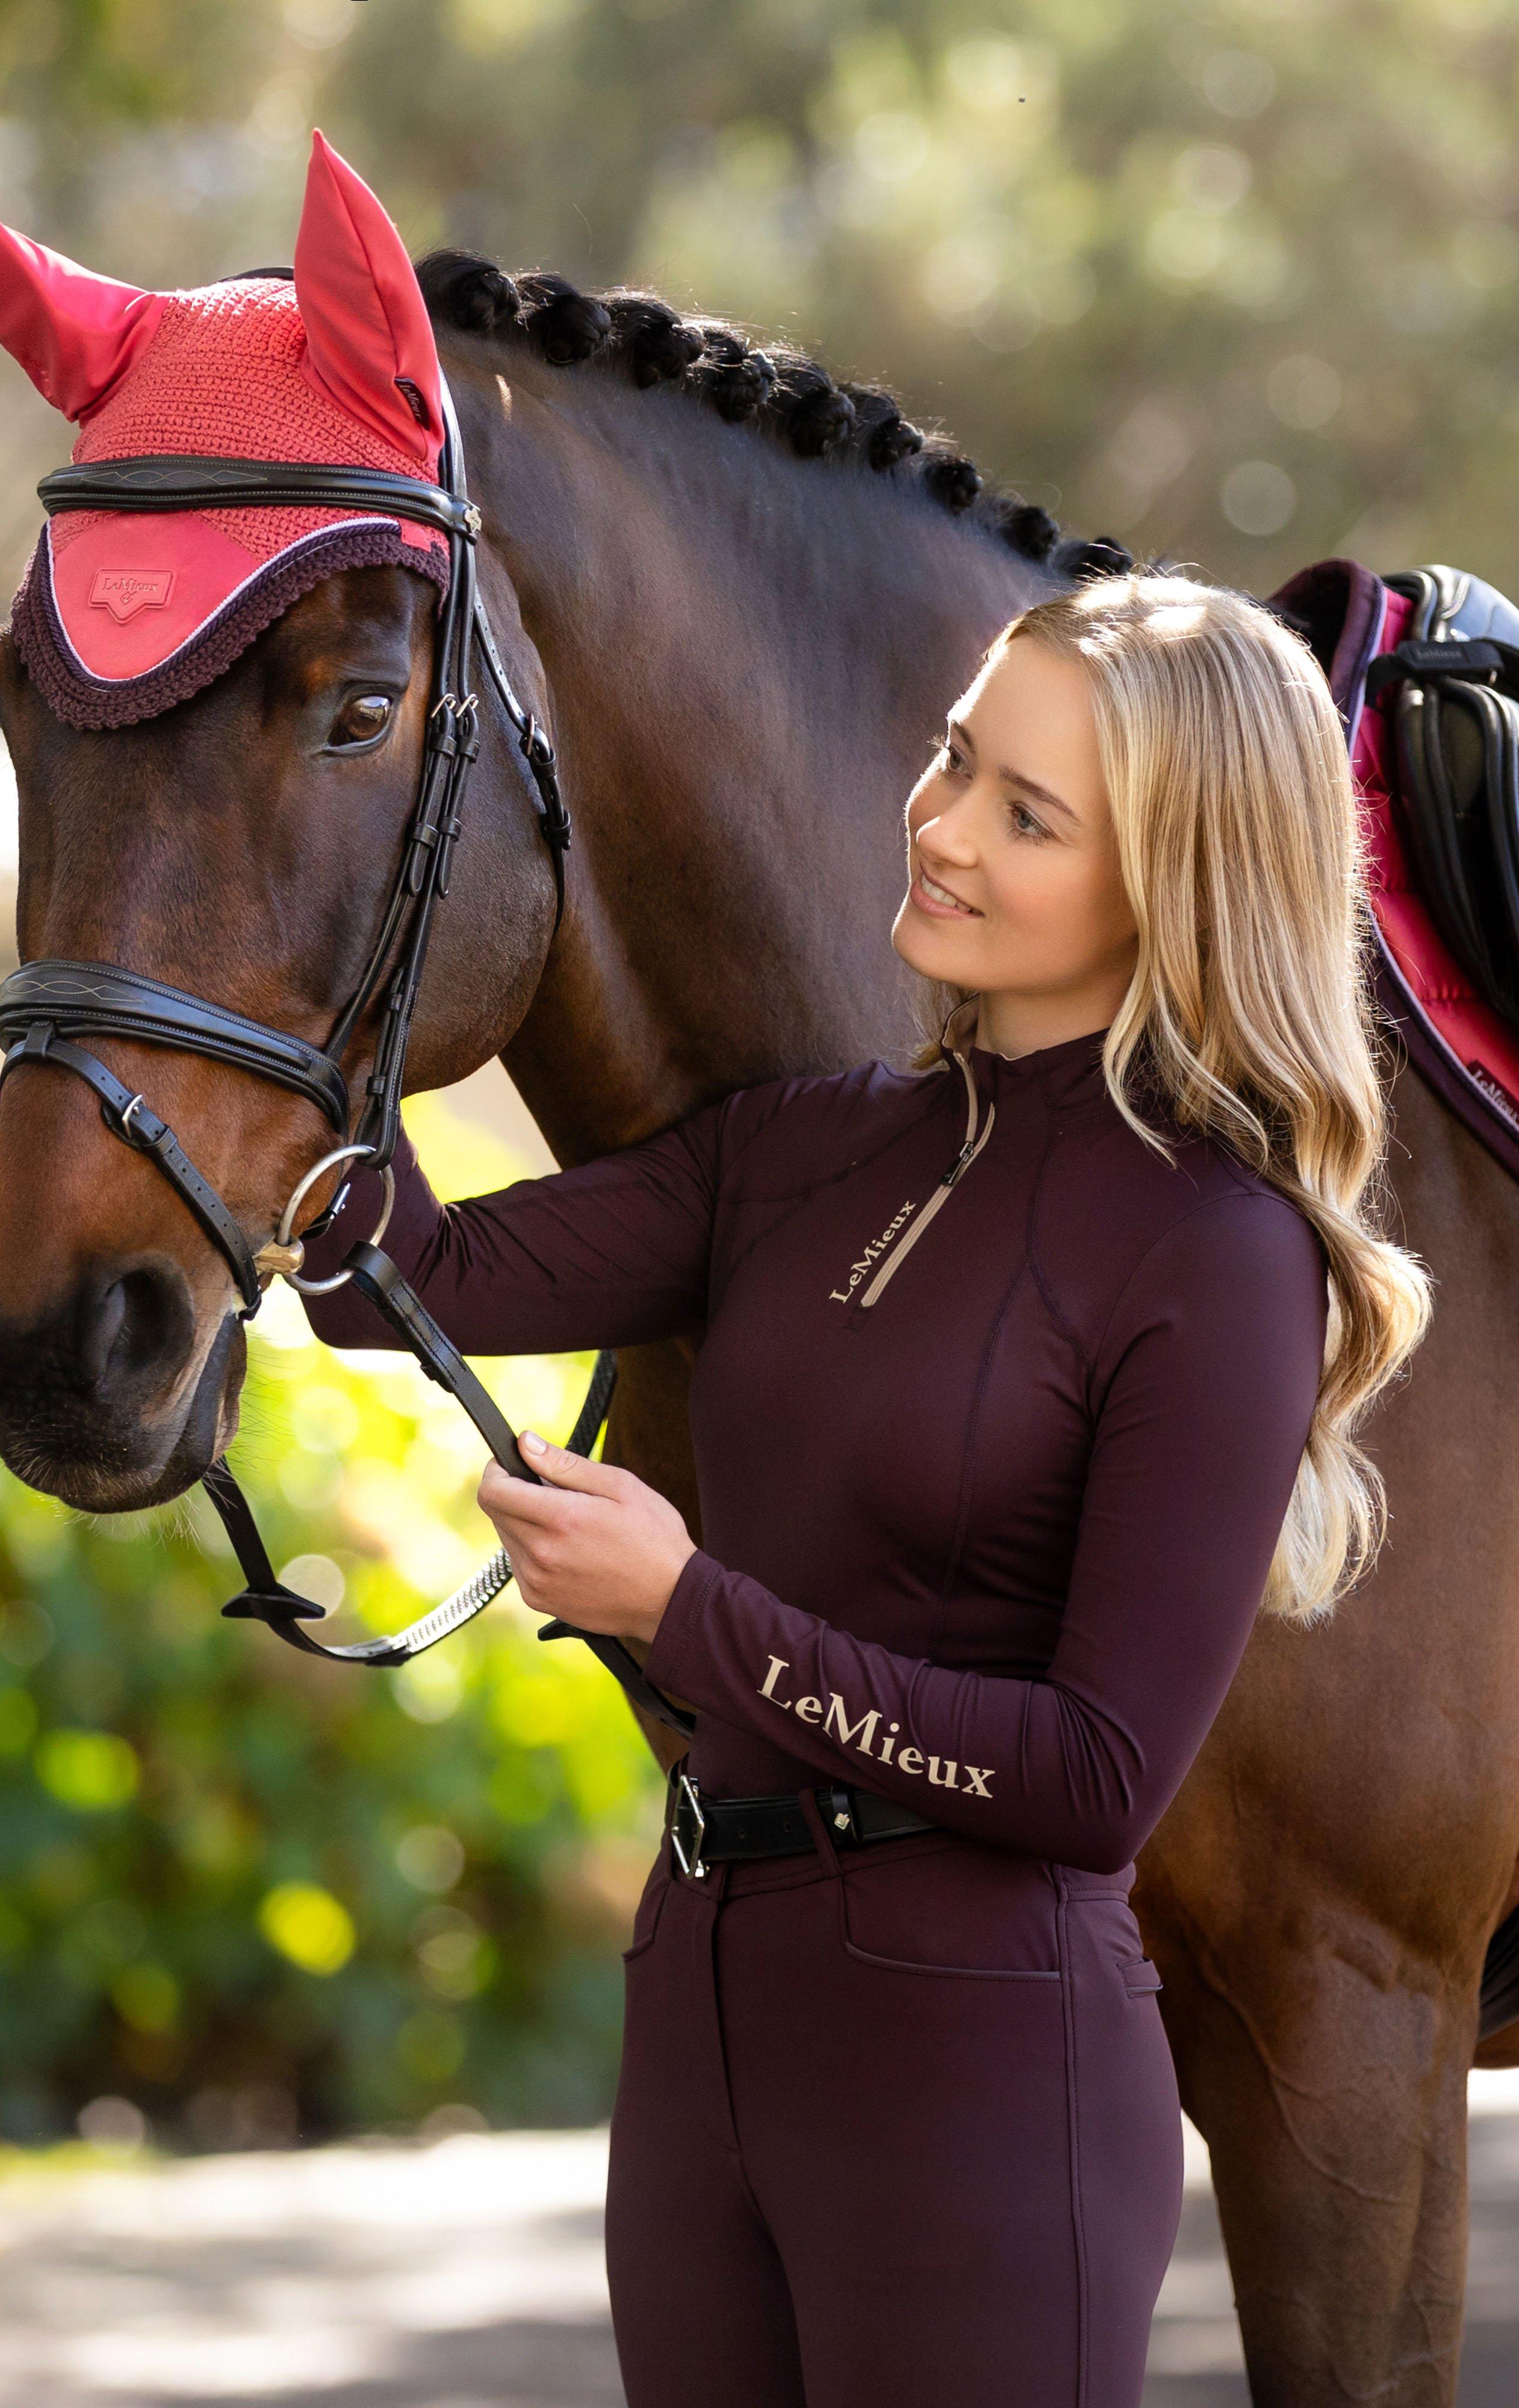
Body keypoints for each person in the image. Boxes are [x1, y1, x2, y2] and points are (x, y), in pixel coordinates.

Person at [299, 570, 1431, 2407]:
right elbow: (386, 1277)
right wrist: (294, 918)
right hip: (704, 2021)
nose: (943, 827)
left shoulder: (1216, 1251)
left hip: (981, 2072)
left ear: (1178, 882)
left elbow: (1094, 1778)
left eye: (1028, 813)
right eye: (955, 760)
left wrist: (690, 1611)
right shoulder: (803, 1148)